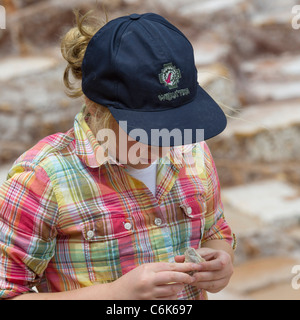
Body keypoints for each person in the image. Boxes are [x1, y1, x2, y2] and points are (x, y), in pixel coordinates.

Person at [0, 11, 236, 300]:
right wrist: (116, 293)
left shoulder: (192, 152)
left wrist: (221, 259)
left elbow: (215, 229)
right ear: (95, 104)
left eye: (177, 124)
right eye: (145, 130)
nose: (164, 143)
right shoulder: (43, 178)